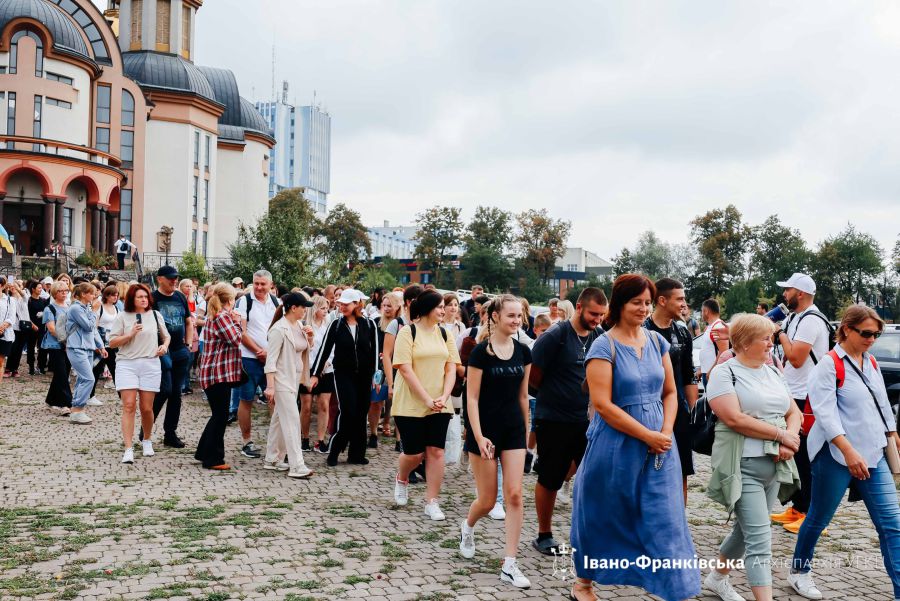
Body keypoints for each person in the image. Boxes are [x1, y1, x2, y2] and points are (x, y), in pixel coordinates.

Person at [570, 274, 699, 601]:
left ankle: (675, 590)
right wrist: (646, 435)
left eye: (647, 303)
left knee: (665, 517)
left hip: (660, 445)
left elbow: (670, 392)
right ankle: (583, 583)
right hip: (615, 443)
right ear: (620, 304)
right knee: (603, 512)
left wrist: (665, 432)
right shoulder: (604, 345)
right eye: (636, 302)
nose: (643, 309)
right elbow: (602, 404)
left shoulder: (657, 342)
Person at [789, 306, 900, 600]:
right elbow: (825, 415)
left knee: (892, 526)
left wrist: (892, 432)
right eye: (866, 333)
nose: (872, 339)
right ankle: (799, 571)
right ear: (847, 329)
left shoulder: (871, 361)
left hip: (873, 453)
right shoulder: (828, 365)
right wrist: (848, 451)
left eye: (876, 334)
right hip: (834, 455)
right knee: (818, 518)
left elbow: (881, 401)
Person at [704, 313, 802, 601]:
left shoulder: (773, 372)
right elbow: (733, 418)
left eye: (771, 338)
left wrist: (789, 439)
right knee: (760, 539)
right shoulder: (724, 373)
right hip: (742, 466)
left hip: (775, 465)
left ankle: (717, 578)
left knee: (744, 531)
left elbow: (793, 412)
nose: (771, 344)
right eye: (765, 338)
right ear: (745, 342)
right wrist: (780, 435)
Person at [458, 295, 532, 589]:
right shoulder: (480, 353)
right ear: (496, 317)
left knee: (514, 495)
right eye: (511, 315)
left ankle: (510, 564)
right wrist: (477, 436)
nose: (516, 320)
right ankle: (468, 526)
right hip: (485, 432)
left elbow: (523, 396)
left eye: (519, 316)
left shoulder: (524, 352)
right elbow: (471, 398)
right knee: (488, 501)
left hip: (513, 431)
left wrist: (526, 435)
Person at [529, 287, 607, 555]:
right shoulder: (555, 336)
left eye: (601, 315)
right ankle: (544, 534)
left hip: (587, 421)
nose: (597, 319)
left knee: (590, 475)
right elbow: (533, 378)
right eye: (593, 314)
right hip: (554, 419)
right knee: (550, 477)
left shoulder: (599, 336)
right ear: (579, 307)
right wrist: (557, 395)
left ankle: (589, 532)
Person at [391, 289, 461, 518]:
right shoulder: (407, 332)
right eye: (440, 306)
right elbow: (405, 369)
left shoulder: (445, 334)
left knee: (436, 451)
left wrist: (444, 396)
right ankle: (402, 477)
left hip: (440, 403)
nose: (444, 310)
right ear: (427, 308)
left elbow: (451, 367)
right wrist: (426, 399)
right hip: (411, 402)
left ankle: (432, 501)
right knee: (414, 454)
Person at [770, 273, 831, 535]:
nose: (784, 294)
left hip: (808, 395)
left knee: (806, 456)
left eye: (788, 290)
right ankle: (799, 507)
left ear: (801, 294)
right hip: (793, 391)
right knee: (795, 454)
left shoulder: (811, 320)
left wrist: (781, 333)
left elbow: (796, 358)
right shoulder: (796, 317)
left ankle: (812, 515)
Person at [644, 278, 698, 502]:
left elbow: (688, 374)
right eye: (680, 299)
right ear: (662, 301)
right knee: (646, 468)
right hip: (647, 410)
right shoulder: (642, 330)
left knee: (681, 469)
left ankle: (678, 518)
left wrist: (693, 412)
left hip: (678, 411)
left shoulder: (683, 333)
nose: (684, 304)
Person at [311, 289, 379, 467]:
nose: (342, 307)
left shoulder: (370, 324)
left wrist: (377, 377)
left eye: (347, 304)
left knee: (361, 413)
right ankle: (334, 450)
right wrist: (315, 374)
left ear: (357, 304)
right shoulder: (336, 324)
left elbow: (375, 352)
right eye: (341, 303)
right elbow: (324, 350)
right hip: (343, 374)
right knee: (348, 412)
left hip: (364, 376)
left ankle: (356, 454)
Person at [109, 283, 170, 464]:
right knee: (129, 405)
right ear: (132, 299)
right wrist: (130, 334)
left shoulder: (155, 315)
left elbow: (166, 336)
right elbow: (112, 342)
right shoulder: (122, 316)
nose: (144, 300)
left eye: (145, 296)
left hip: (150, 363)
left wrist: (164, 347)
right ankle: (128, 448)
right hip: (127, 363)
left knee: (146, 408)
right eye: (139, 297)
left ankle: (147, 439)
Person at [263, 292, 315, 479]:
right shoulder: (278, 329)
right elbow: (270, 361)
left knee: (279, 420)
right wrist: (270, 387)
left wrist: (310, 337)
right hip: (281, 381)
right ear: (293, 308)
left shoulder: (299, 325)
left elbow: (304, 349)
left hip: (294, 379)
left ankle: (272, 459)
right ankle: (297, 465)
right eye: (303, 307)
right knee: (292, 421)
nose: (305, 310)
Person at [229, 270, 280, 458]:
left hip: (271, 359)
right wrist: (259, 351)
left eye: (263, 284)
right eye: (256, 283)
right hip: (248, 359)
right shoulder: (244, 301)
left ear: (271, 285)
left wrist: (270, 353)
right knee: (246, 399)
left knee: (275, 399)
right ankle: (247, 441)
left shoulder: (276, 303)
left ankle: (276, 442)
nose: (259, 287)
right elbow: (241, 332)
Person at [195, 284, 242, 470]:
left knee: (218, 415)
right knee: (220, 416)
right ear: (230, 300)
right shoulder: (222, 316)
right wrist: (237, 322)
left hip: (215, 372)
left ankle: (203, 452)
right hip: (218, 373)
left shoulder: (215, 315)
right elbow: (235, 339)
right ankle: (213, 459)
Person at [147, 265, 194, 447]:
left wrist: (188, 344)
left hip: (180, 350)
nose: (174, 281)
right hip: (161, 351)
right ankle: (147, 428)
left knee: (176, 394)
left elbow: (188, 322)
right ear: (160, 279)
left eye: (176, 278)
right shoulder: (153, 298)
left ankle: (170, 434)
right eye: (170, 278)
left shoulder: (180, 297)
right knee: (164, 390)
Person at [383, 285, 423, 452]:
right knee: (401, 407)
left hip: (419, 373)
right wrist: (390, 383)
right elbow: (386, 354)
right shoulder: (397, 324)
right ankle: (401, 441)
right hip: (399, 371)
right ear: (408, 302)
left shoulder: (424, 323)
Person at [66, 282, 107, 425]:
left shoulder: (86, 308)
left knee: (83, 379)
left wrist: (101, 346)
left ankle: (77, 410)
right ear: (83, 294)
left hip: (87, 348)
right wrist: (94, 311)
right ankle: (78, 408)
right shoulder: (76, 308)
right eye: (92, 293)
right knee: (88, 379)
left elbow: (93, 330)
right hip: (76, 347)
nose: (95, 295)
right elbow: (89, 326)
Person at [302, 295, 334, 453]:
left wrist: (328, 361)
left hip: (326, 369)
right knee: (306, 405)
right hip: (308, 368)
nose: (325, 311)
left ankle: (320, 440)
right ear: (314, 308)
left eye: (327, 308)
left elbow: (333, 347)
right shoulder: (305, 325)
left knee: (324, 404)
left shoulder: (329, 326)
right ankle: (304, 438)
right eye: (322, 308)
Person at [368, 292, 399, 448]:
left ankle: (399, 438)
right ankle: (373, 434)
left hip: (397, 367)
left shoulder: (401, 324)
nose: (386, 308)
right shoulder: (375, 323)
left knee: (398, 402)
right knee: (376, 401)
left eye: (389, 306)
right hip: (378, 368)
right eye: (384, 305)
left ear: (397, 307)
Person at [88, 285, 121, 406]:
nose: (115, 297)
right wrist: (96, 345)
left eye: (116, 295)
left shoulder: (116, 308)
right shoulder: (100, 307)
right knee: (96, 369)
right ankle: (90, 395)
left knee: (116, 369)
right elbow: (94, 327)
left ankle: (122, 395)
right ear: (107, 296)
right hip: (101, 342)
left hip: (112, 342)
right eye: (113, 295)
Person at [42, 281, 71, 414]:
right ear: (54, 293)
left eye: (66, 290)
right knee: (61, 374)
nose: (64, 293)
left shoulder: (69, 307)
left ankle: (51, 399)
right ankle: (66, 403)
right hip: (55, 345)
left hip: (69, 345)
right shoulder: (50, 309)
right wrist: (64, 341)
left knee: (62, 373)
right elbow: (52, 329)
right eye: (61, 291)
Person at [699, 299, 729, 385]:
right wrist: (702, 369)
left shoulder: (718, 326)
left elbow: (724, 352)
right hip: (707, 372)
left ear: (706, 311)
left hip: (713, 373)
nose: (701, 314)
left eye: (702, 311)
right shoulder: (710, 327)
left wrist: (712, 370)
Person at [3, 279, 28, 378]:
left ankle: (15, 369)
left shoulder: (23, 298)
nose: (13, 288)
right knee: (12, 349)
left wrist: (18, 288)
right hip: (13, 327)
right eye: (11, 286)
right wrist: (5, 286)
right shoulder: (8, 299)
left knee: (19, 350)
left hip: (23, 327)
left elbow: (25, 296)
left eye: (15, 286)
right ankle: (8, 368)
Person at [24, 280, 48, 375]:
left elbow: (47, 311)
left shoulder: (44, 300)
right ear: (33, 289)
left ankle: (41, 366)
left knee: (42, 347)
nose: (41, 289)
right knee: (31, 347)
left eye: (41, 288)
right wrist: (33, 325)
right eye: (39, 288)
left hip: (42, 327)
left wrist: (43, 314)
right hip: (31, 327)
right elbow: (26, 314)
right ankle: (31, 367)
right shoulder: (29, 300)